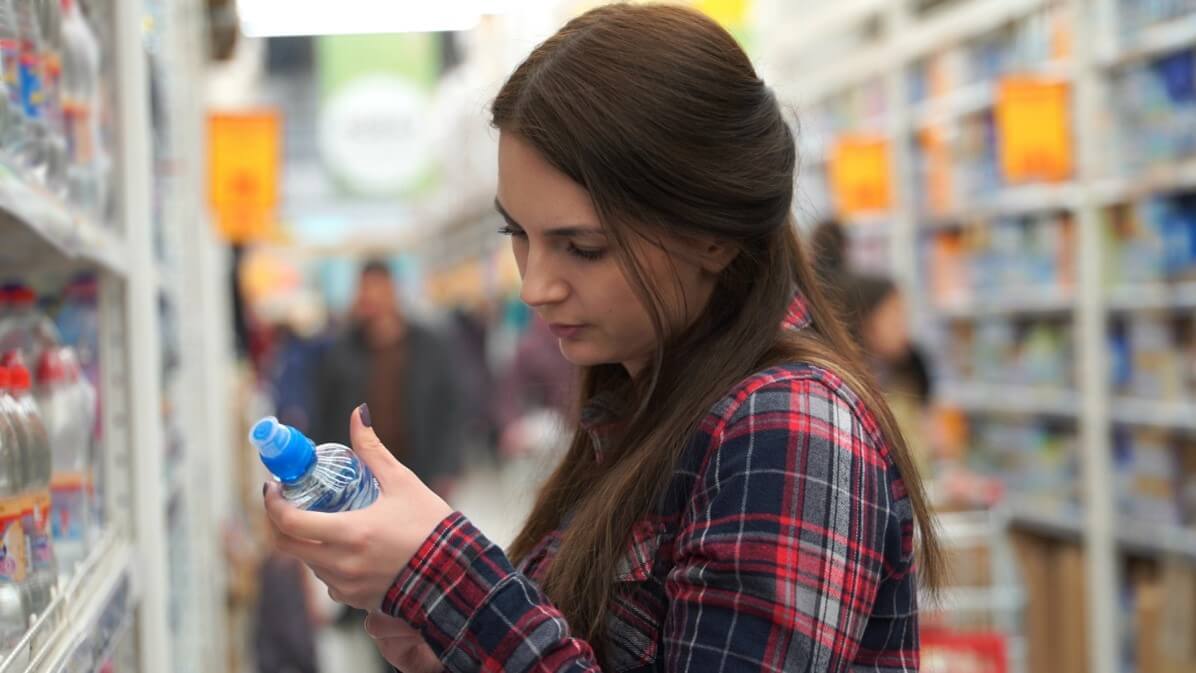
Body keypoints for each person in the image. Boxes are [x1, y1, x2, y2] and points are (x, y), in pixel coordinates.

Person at [266, 6, 942, 673]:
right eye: (518, 236)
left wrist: (450, 578)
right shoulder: (638, 402)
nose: (535, 286)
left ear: (713, 233)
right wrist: (453, 644)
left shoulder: (792, 424)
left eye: (582, 247)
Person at [308, 260, 464, 496]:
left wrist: (448, 467)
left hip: (420, 468)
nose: (371, 297)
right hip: (360, 475)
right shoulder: (342, 349)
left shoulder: (429, 345)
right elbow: (325, 411)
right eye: (365, 289)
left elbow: (452, 406)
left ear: (393, 290)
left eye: (378, 288)